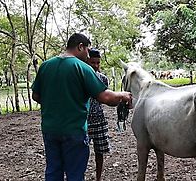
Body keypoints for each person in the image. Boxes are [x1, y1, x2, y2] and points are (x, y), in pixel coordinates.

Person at [31, 33, 132, 181]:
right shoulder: (82, 68)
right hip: (74, 130)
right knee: (75, 174)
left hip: (50, 130)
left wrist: (56, 103)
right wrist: (123, 95)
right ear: (80, 47)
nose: (88, 55)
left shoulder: (46, 66)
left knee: (53, 170)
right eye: (87, 50)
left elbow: (36, 96)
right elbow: (105, 97)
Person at [86, 49, 110, 181]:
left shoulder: (103, 79)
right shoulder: (80, 78)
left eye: (97, 63)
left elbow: (106, 98)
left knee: (99, 151)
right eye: (92, 62)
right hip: (83, 120)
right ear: (87, 62)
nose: (95, 65)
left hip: (99, 119)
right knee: (81, 152)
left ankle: (98, 178)